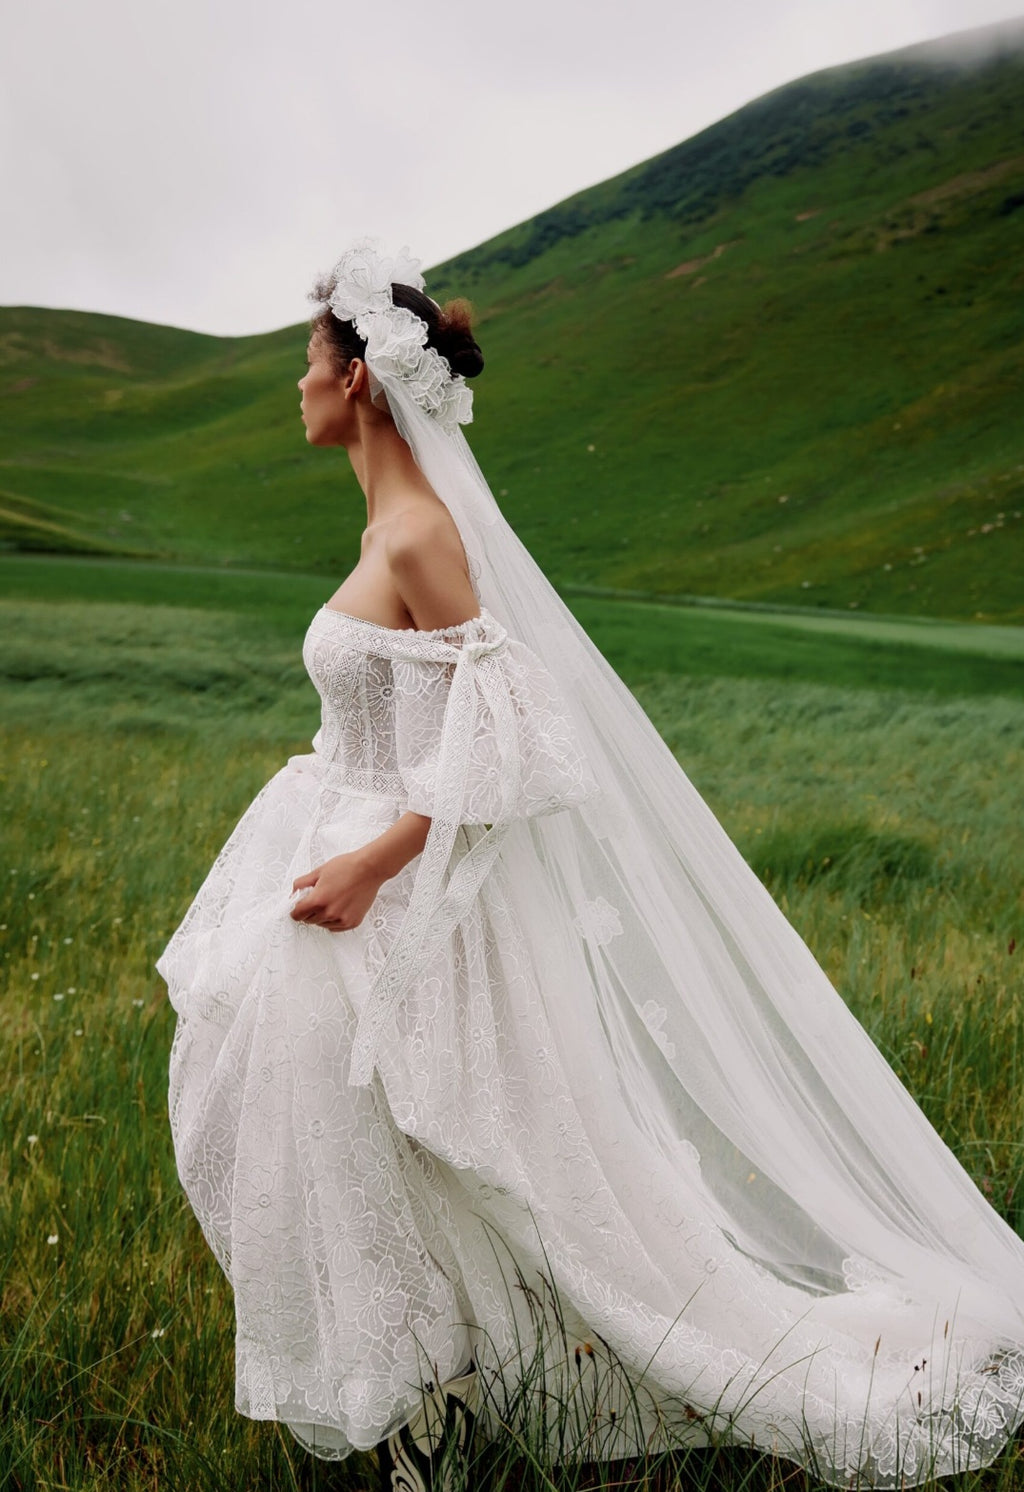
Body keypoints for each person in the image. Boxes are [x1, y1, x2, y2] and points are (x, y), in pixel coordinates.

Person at [157, 239, 1024, 1491]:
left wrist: (375, 864)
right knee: (340, 1143)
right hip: (342, 879)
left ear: (355, 378)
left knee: (425, 1152)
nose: (293, 384)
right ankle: (431, 1394)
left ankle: (441, 1406)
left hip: (393, 901)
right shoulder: (384, 529)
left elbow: (513, 733)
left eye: (306, 360)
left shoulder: (418, 537)